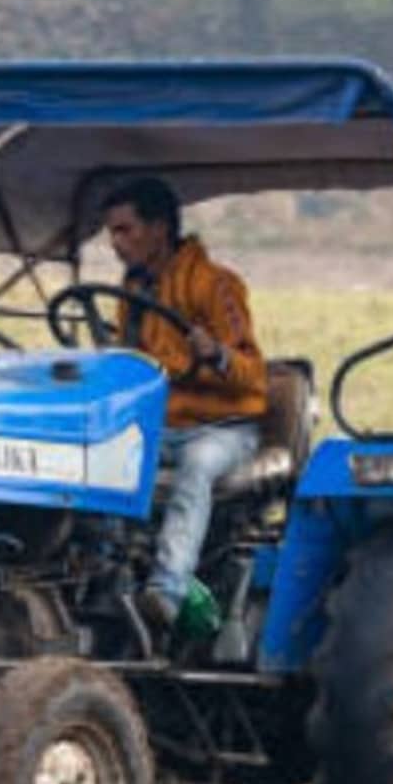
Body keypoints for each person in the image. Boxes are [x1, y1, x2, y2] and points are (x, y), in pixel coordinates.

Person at [99, 176, 267, 633]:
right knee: (102, 459)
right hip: (163, 425)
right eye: (111, 232)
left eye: (125, 230)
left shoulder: (216, 285)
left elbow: (254, 373)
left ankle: (167, 590)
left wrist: (217, 354)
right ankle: (103, 575)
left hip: (223, 427)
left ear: (159, 229)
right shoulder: (133, 292)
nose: (115, 243)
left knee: (197, 466)